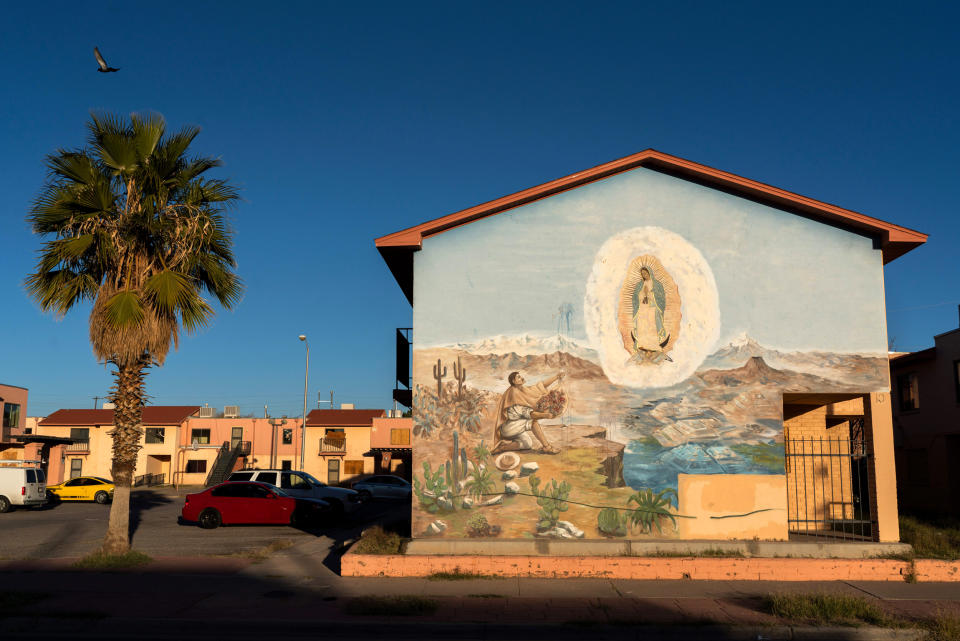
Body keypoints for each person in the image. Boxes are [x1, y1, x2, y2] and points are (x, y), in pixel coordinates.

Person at [492, 370, 564, 455]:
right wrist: (546, 415)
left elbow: (540, 386)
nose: (522, 378)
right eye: (518, 377)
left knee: (527, 444)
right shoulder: (514, 394)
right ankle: (547, 447)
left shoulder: (523, 389)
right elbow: (529, 414)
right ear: (513, 381)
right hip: (508, 427)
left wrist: (557, 376)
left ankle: (503, 447)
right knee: (533, 422)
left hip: (517, 426)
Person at [631, 266, 671, 362]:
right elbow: (635, 298)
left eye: (646, 273)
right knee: (642, 327)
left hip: (652, 309)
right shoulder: (639, 285)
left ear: (650, 273)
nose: (644, 275)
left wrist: (650, 295)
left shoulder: (657, 284)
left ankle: (654, 348)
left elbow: (661, 298)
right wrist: (642, 295)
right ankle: (642, 347)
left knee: (652, 328)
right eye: (642, 274)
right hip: (642, 309)